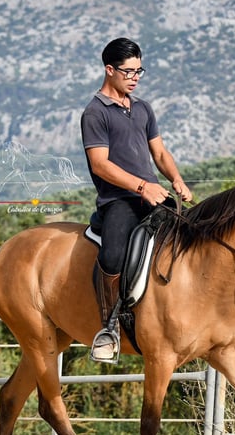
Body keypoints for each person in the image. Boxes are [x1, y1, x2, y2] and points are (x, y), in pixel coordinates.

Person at [81, 37, 193, 362]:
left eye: (139, 70)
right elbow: (100, 164)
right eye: (129, 71)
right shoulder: (94, 113)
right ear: (109, 70)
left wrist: (175, 178)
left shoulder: (143, 108)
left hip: (154, 195)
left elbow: (158, 151)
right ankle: (109, 327)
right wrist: (142, 187)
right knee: (113, 256)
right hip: (118, 201)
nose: (135, 77)